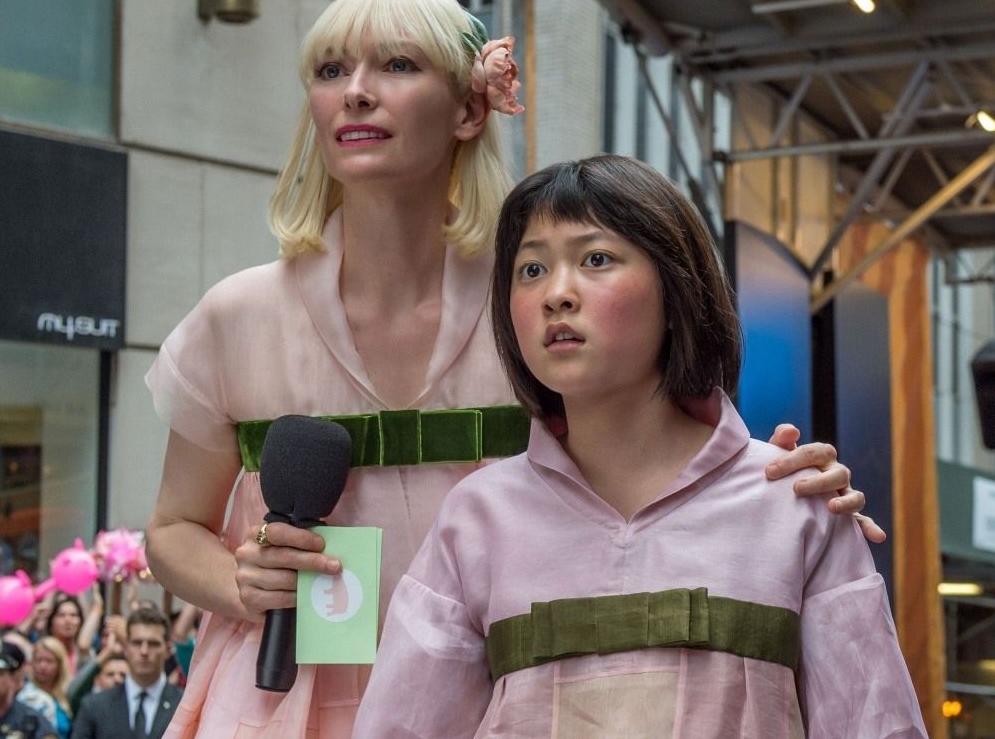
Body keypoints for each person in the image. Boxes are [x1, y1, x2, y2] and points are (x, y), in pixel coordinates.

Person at [144, 0, 872, 739]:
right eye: (331, 71)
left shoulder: (537, 304)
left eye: (396, 64)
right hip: (281, 693)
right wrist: (238, 580)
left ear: (468, 109)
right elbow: (171, 527)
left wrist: (778, 490)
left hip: (507, 691)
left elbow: (664, 464)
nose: (355, 92)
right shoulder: (236, 316)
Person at [353, 155, 924, 736]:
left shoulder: (796, 502)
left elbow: (876, 725)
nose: (556, 294)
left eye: (596, 259)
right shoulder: (477, 517)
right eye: (531, 269)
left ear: (677, 291)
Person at [70, 608, 181, 739]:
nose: (144, 651)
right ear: (126, 648)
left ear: (167, 649)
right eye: (137, 643)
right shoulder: (95, 706)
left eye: (153, 644)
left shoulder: (184, 705)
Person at [29, 638, 71, 738]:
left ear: (60, 665)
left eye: (49, 661)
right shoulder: (25, 694)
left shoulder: (68, 694)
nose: (43, 666)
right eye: (38, 660)